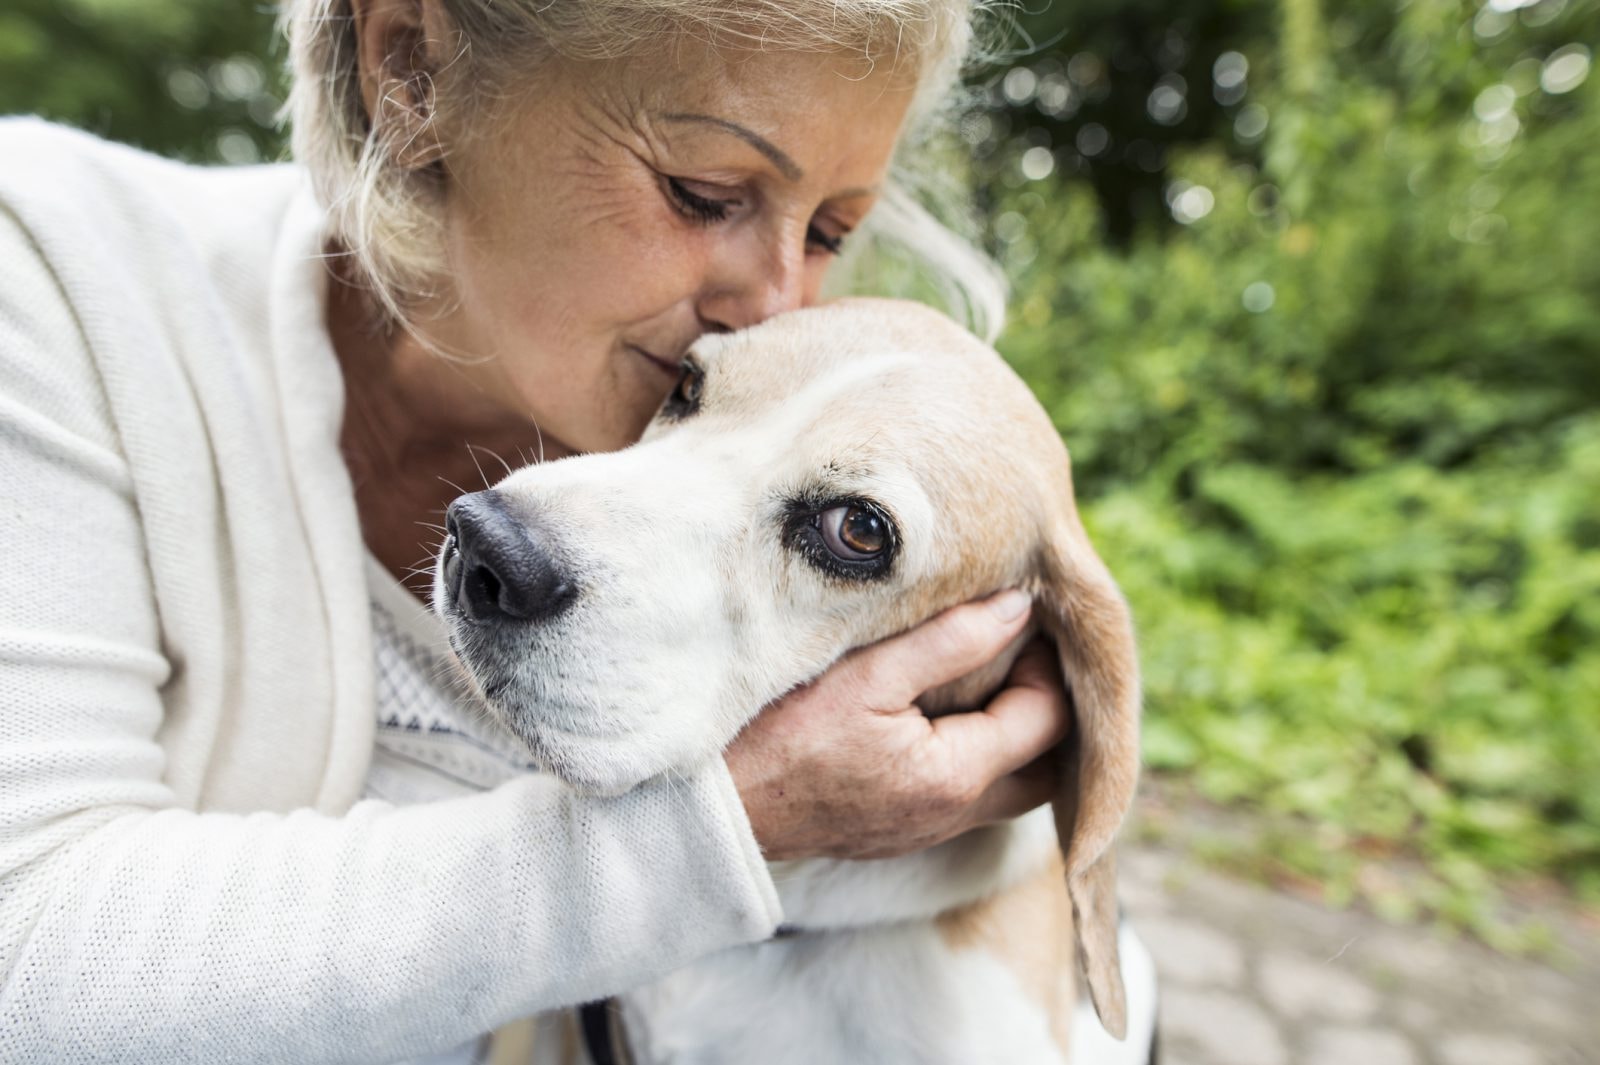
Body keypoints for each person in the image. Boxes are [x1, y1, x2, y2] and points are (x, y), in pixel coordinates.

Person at [0, 1, 1074, 1060]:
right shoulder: (51, 267)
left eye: (832, 230)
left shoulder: (741, 451)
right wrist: (724, 832)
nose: (777, 305)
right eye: (702, 194)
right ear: (413, 69)